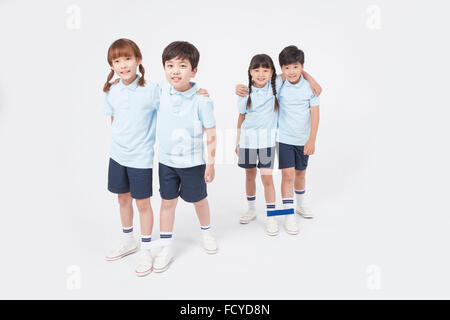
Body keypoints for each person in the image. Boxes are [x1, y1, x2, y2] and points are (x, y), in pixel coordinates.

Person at [153, 41, 217, 273]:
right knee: (167, 203)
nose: (175, 71)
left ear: (194, 71)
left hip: (193, 163)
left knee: (199, 200)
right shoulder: (161, 90)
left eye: (182, 65)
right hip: (166, 162)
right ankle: (166, 247)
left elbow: (211, 132)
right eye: (170, 65)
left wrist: (210, 163)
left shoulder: (202, 100)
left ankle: (207, 232)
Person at [103, 38, 159, 277]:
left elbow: (178, 96)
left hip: (141, 157)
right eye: (117, 60)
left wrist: (198, 90)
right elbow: (113, 120)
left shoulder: (152, 89)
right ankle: (129, 241)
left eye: (127, 58)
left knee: (142, 204)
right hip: (117, 155)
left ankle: (146, 249)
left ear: (138, 60)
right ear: (112, 65)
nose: (123, 65)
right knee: (122, 199)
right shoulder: (111, 90)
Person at [235, 54, 284, 235]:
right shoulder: (245, 92)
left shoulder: (276, 86)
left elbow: (292, 71)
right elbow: (241, 117)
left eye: (265, 70)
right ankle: (251, 208)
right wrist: (237, 141)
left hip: (266, 143)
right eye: (257, 70)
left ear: (272, 72)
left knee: (267, 179)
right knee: (249, 175)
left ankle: (271, 216)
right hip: (247, 142)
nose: (261, 74)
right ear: (250, 72)